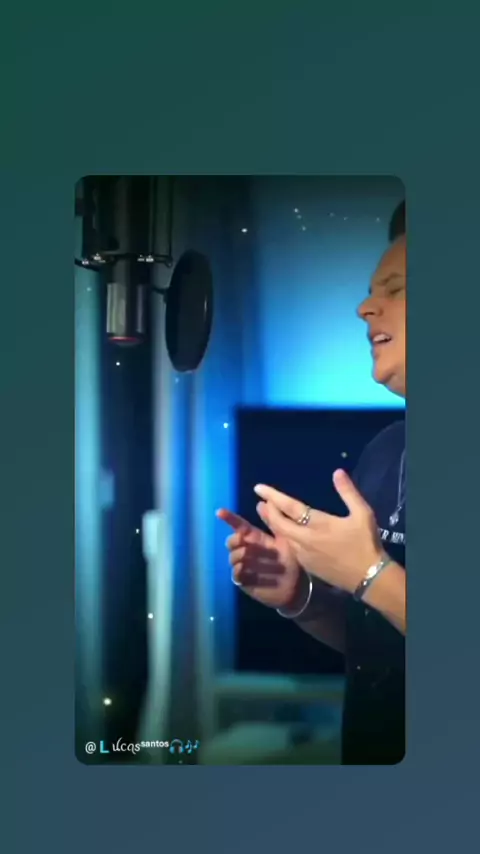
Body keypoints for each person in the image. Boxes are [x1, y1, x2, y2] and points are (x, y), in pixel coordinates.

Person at [217, 201, 406, 764]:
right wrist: (302, 599)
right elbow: (382, 643)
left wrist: (369, 573)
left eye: (396, 290)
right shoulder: (386, 450)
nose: (365, 308)